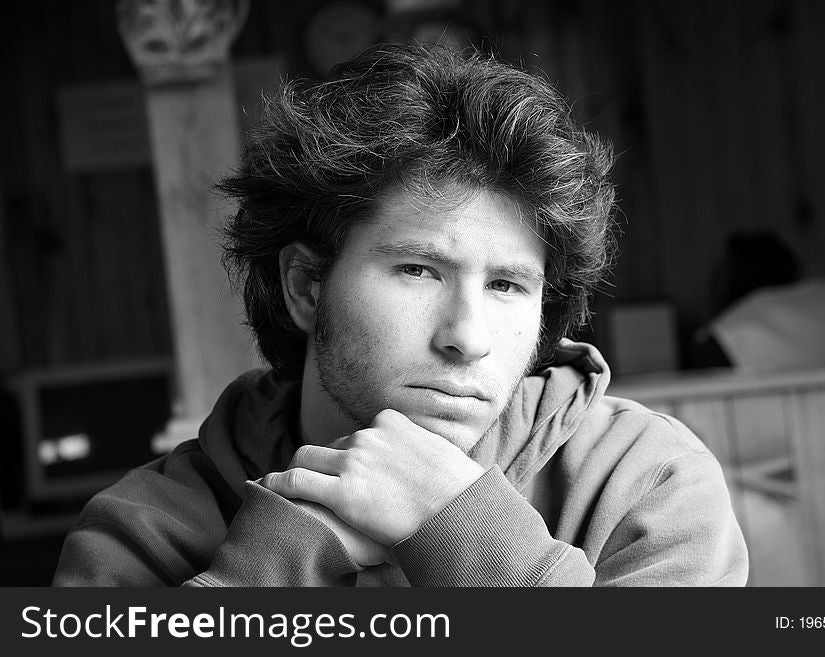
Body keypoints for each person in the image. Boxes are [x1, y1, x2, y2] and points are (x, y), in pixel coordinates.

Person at [53, 43, 748, 587]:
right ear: (304, 285)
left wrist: (465, 531)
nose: (467, 337)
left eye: (507, 285)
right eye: (418, 270)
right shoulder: (139, 530)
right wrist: (289, 551)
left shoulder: (646, 481)